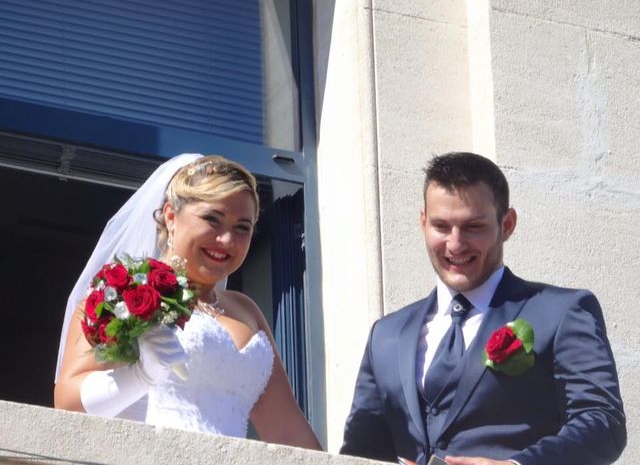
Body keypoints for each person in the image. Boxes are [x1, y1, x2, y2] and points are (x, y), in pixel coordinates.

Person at [341, 152, 626, 465]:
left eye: (473, 226)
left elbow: (603, 422)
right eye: (441, 226)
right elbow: (360, 452)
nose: (455, 244)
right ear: (423, 223)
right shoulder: (386, 335)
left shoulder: (562, 312)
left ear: (507, 224)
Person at [55, 153, 321, 450]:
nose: (226, 240)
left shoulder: (246, 310)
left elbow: (290, 434)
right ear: (170, 216)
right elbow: (67, 402)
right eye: (212, 219)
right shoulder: (123, 291)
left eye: (242, 227)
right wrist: (140, 376)